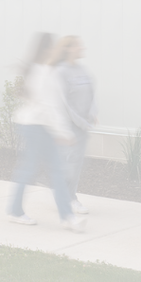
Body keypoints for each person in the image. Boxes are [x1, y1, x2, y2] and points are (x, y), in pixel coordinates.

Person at [6, 32, 84, 231]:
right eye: (54, 46)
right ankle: (64, 216)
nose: (57, 50)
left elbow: (52, 105)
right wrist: (63, 132)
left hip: (38, 125)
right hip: (36, 126)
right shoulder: (42, 72)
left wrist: (60, 130)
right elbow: (49, 106)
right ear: (47, 49)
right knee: (38, 169)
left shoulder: (42, 70)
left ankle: (65, 216)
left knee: (44, 169)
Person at [53, 35, 97, 214]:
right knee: (69, 165)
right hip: (69, 127)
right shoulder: (60, 72)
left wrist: (92, 113)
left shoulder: (82, 70)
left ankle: (67, 196)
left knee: (76, 164)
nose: (82, 48)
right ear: (68, 49)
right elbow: (63, 103)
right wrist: (80, 121)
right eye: (78, 46)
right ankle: (68, 199)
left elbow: (92, 93)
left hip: (83, 126)